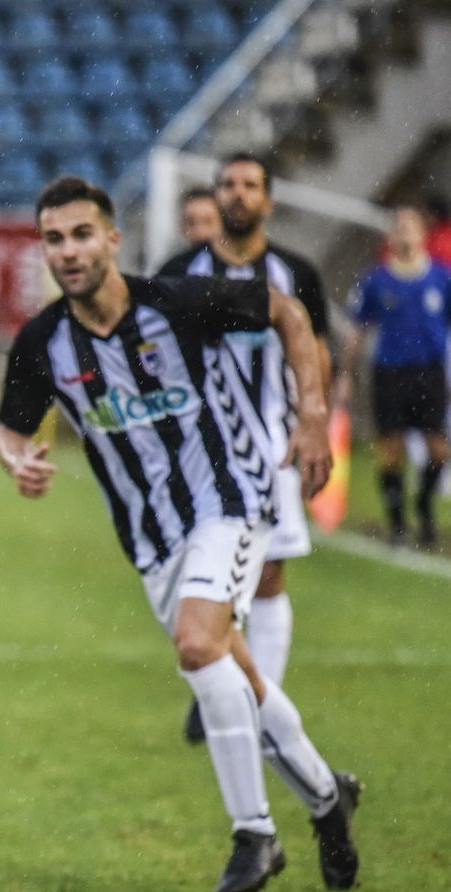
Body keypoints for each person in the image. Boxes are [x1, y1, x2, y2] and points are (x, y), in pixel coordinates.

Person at [0, 176, 360, 892]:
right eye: (54, 239)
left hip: (232, 498)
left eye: (81, 234)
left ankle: (254, 832)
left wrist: (312, 415)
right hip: (153, 538)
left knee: (199, 646)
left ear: (111, 239)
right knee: (237, 676)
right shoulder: (43, 340)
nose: (68, 251)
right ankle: (327, 797)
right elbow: (11, 426)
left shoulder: (174, 301)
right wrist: (19, 459)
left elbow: (287, 314)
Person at [159, 154, 333, 745]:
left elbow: (318, 351)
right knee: (205, 577)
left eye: (249, 185)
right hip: (198, 452)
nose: (237, 194)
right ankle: (219, 684)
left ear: (269, 200)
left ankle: (260, 701)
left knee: (269, 578)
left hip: (273, 444)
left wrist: (316, 421)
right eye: (227, 185)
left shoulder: (296, 273)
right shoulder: (179, 271)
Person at [339, 205, 451, 546]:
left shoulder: (441, 278)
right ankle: (399, 524)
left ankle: (424, 505)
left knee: (438, 448)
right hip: (389, 371)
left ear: (422, 234)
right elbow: (357, 329)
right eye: (398, 227)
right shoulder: (376, 280)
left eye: (410, 226)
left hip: (429, 370)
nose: (404, 233)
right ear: (391, 235)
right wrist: (345, 373)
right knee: (390, 449)